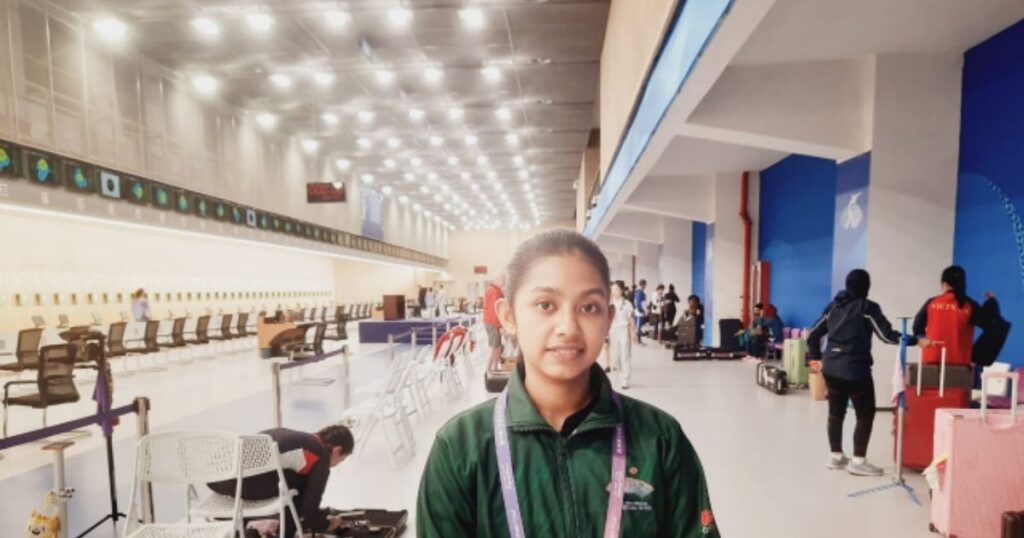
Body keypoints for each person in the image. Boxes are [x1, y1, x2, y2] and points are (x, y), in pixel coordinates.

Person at [417, 229, 719, 537]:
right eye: (545, 305)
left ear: (608, 318)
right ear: (508, 316)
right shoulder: (460, 449)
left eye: (588, 307)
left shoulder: (659, 439)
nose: (568, 327)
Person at [806, 269, 928, 476]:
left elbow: (813, 334)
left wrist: (816, 358)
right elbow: (886, 336)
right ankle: (858, 461)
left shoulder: (833, 306)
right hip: (855, 370)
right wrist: (916, 340)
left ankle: (836, 457)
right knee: (865, 414)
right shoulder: (867, 308)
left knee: (836, 412)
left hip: (832, 369)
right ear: (866, 286)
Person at [208, 424, 355, 537]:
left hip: (213, 477)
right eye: (341, 460)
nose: (336, 464)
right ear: (337, 450)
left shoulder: (300, 438)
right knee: (299, 483)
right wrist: (327, 523)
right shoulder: (320, 455)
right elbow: (308, 512)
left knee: (288, 477)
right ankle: (284, 534)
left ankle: (238, 525)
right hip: (235, 483)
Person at [913, 265, 1000, 369]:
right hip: (960, 365)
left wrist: (922, 339)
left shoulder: (932, 303)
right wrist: (992, 302)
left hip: (931, 363)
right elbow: (990, 323)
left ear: (944, 284)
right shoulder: (970, 305)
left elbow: (917, 327)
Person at [608, 281, 638, 389]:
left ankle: (624, 380)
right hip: (612, 331)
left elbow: (631, 320)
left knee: (625, 355)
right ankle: (621, 373)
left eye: (616, 289)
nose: (613, 291)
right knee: (615, 358)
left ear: (621, 291)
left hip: (624, 330)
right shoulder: (609, 304)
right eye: (612, 289)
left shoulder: (627, 304)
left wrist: (633, 333)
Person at [484, 274, 506, 371]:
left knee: (497, 347)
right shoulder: (494, 291)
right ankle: (487, 371)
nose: (504, 284)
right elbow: (495, 310)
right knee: (493, 348)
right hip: (493, 323)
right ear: (498, 280)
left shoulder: (494, 290)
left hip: (491, 322)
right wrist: (500, 325)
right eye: (503, 282)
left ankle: (495, 368)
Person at [633, 279, 648, 345]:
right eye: (645, 285)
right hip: (639, 312)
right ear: (643, 285)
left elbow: (636, 302)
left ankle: (638, 340)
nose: (645, 286)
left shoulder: (637, 292)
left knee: (639, 326)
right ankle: (638, 341)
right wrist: (642, 311)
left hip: (638, 311)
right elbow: (639, 303)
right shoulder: (640, 293)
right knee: (638, 327)